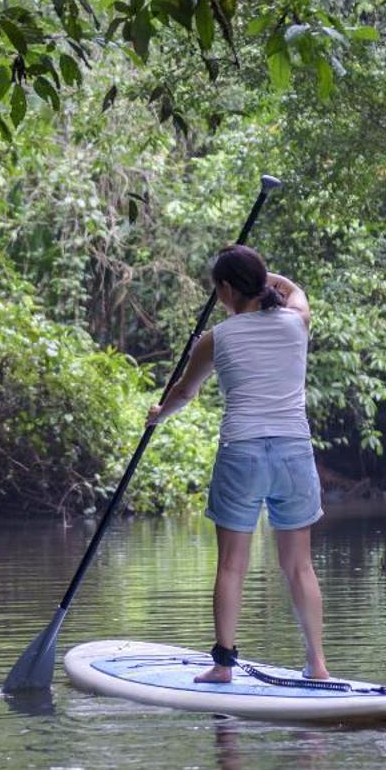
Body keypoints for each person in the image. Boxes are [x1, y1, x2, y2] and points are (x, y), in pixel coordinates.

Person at [146, 244, 329, 684]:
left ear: (226, 289)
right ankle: (318, 666)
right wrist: (267, 278)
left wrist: (159, 415)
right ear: (262, 284)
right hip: (293, 452)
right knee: (299, 566)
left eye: (220, 290)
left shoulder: (217, 338)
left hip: (242, 453)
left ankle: (223, 665)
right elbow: (295, 290)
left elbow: (184, 394)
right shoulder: (296, 323)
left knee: (231, 565)